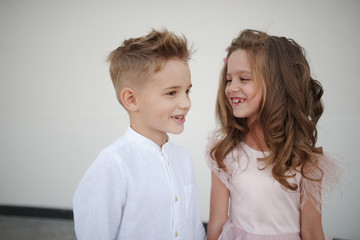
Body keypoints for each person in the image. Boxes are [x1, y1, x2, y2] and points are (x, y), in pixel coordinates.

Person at [206, 29, 340, 240]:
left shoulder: (305, 162)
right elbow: (216, 225)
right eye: (229, 80)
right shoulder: (225, 153)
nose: (231, 88)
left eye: (244, 78)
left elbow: (313, 232)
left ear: (276, 86)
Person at [73, 29, 206, 240]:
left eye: (187, 91)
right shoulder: (112, 165)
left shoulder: (183, 158)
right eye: (172, 92)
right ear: (132, 100)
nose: (186, 103)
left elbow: (194, 227)